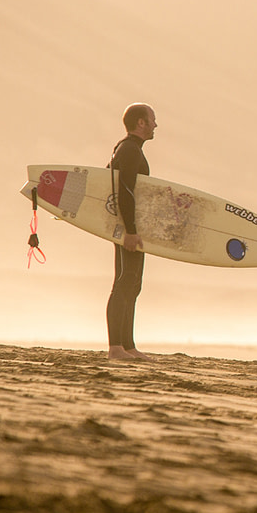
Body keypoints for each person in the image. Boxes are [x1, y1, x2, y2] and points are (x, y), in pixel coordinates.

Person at [105, 103, 157, 362]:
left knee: (133, 284)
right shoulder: (128, 150)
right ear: (141, 123)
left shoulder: (129, 150)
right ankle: (116, 348)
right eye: (152, 120)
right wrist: (129, 231)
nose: (155, 125)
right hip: (128, 230)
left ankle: (128, 345)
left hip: (132, 228)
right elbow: (124, 191)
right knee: (124, 281)